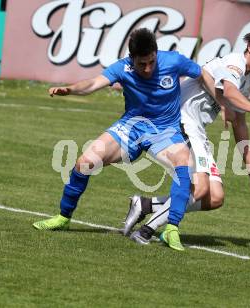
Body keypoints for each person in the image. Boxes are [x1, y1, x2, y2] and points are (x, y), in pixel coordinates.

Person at [33, 28, 205, 251]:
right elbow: (94, 83)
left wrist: (223, 103)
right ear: (131, 58)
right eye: (141, 64)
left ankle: (171, 229)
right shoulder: (122, 68)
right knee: (84, 162)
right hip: (130, 128)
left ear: (156, 53)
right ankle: (63, 217)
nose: (147, 68)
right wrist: (70, 90)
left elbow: (203, 74)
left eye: (151, 62)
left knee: (184, 163)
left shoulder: (173, 61)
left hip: (165, 131)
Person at [123, 29, 250, 248]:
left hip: (196, 130)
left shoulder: (246, 81)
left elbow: (239, 122)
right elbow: (228, 92)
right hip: (180, 123)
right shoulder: (234, 64)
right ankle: (146, 231)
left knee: (215, 197)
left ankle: (145, 204)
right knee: (199, 189)